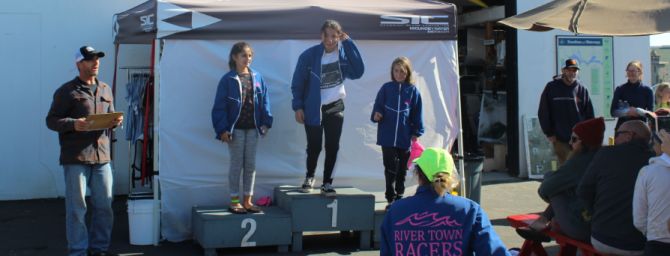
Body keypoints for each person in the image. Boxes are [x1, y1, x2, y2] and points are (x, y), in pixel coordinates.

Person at [46, 46, 123, 256]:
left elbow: (108, 118)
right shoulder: (66, 91)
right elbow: (51, 121)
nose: (95, 62)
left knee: (105, 207)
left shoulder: (106, 89)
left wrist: (115, 121)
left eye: (97, 59)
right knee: (77, 209)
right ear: (79, 64)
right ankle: (78, 251)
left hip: (102, 157)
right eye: (90, 59)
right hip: (76, 158)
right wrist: (73, 123)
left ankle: (99, 249)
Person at [380, 147, 511, 256]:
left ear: (418, 175)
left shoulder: (395, 211)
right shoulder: (470, 210)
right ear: (450, 176)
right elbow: (494, 252)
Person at [291, 19, 365, 196]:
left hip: (335, 106)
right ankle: (309, 177)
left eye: (334, 36)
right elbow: (297, 83)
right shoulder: (309, 55)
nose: (330, 40)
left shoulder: (344, 55)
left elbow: (359, 71)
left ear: (339, 36)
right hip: (313, 108)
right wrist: (298, 107)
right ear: (321, 35)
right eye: (327, 35)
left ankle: (327, 183)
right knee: (314, 146)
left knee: (333, 146)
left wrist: (349, 44)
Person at [519, 117, 605, 243]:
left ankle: (542, 222)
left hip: (584, 229)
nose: (570, 143)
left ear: (585, 142)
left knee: (556, 186)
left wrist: (550, 177)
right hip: (601, 225)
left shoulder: (579, 162)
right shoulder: (602, 157)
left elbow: (545, 189)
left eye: (574, 139)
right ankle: (543, 221)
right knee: (564, 187)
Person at [212, 42, 273, 214]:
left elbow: (265, 100)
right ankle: (234, 201)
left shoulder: (258, 77)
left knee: (250, 165)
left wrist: (266, 122)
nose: (248, 59)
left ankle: (248, 200)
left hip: (253, 129)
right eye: (243, 55)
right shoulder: (227, 80)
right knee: (236, 165)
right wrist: (222, 129)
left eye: (250, 55)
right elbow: (219, 107)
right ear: (234, 57)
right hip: (235, 131)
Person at [577, 120, 654, 255]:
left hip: (601, 238)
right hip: (638, 244)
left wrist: (597, 213)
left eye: (617, 134)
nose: (615, 138)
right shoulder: (655, 161)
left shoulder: (605, 154)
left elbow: (583, 190)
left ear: (629, 135)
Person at [371, 57, 424, 208]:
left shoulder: (413, 91)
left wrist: (416, 131)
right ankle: (390, 195)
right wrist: (377, 114)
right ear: (392, 72)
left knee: (402, 169)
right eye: (396, 70)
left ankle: (400, 195)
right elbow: (378, 106)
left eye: (402, 71)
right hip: (387, 136)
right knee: (389, 167)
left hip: (404, 137)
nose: (399, 74)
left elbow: (417, 113)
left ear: (407, 72)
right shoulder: (386, 88)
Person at [538, 58, 594, 166]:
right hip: (560, 138)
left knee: (579, 166)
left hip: (578, 138)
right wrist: (549, 133)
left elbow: (589, 115)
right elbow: (543, 112)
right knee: (565, 167)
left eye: (575, 70)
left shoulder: (582, 89)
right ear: (563, 71)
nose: (572, 73)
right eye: (569, 70)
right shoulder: (551, 87)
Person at [633, 129, 670, 255]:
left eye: (653, 143)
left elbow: (639, 220)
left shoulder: (648, 172)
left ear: (662, 145)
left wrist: (653, 232)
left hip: (657, 243)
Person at [610, 60, 654, 130]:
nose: (631, 73)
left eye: (633, 71)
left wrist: (638, 111)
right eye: (629, 71)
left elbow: (651, 114)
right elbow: (613, 112)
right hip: (623, 129)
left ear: (640, 72)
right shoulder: (620, 89)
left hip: (641, 130)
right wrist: (627, 112)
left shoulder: (647, 90)